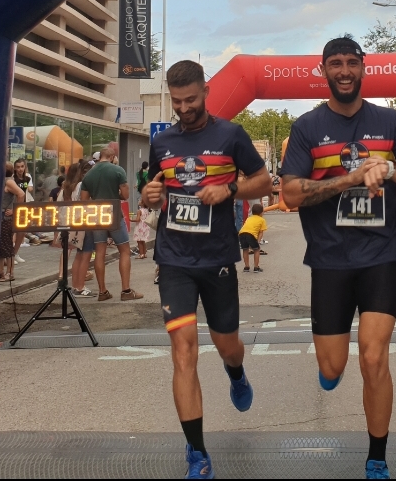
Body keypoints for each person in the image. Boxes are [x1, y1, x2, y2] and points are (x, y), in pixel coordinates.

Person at [280, 37, 396, 480]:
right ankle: (329, 370)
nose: (344, 71)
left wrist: (391, 169)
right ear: (323, 71)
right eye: (336, 64)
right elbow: (290, 193)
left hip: (380, 254)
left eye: (352, 62)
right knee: (333, 365)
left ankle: (377, 457)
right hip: (330, 258)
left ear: (364, 67)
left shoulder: (387, 120)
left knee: (373, 357)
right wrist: (348, 179)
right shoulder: (307, 127)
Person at [141, 59, 271, 479]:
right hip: (174, 260)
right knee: (183, 352)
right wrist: (148, 195)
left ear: (206, 92)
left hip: (216, 260)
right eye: (176, 101)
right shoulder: (162, 142)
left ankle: (237, 373)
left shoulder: (230, 135)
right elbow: (151, 192)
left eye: (191, 100)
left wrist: (229, 188)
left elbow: (264, 182)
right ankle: (197, 454)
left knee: (227, 344)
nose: (184, 108)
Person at [74, 142, 143, 302]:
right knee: (124, 250)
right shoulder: (118, 170)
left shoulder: (89, 174)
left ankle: (102, 291)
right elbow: (125, 195)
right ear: (112, 157)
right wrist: (115, 193)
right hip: (114, 213)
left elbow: (84, 200)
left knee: (100, 252)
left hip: (97, 215)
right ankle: (126, 290)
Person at [0, 162, 23, 281]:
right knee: (0, 245)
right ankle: (0, 271)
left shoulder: (8, 181)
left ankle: (10, 273)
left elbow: (21, 194)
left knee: (7, 245)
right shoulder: (3, 181)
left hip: (6, 217)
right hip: (0, 217)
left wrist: (14, 210)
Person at [11, 158, 35, 259]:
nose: (20, 169)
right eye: (18, 167)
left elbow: (29, 189)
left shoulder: (27, 178)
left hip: (23, 207)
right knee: (12, 232)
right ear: (14, 168)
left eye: (22, 166)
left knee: (21, 231)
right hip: (13, 206)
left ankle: (15, 253)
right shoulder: (12, 179)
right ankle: (10, 255)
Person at [238, 203, 267, 272]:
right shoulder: (262, 220)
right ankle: (256, 267)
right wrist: (258, 241)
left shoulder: (249, 218)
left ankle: (246, 267)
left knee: (245, 249)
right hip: (251, 235)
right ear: (261, 213)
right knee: (257, 249)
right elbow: (261, 232)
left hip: (241, 234)